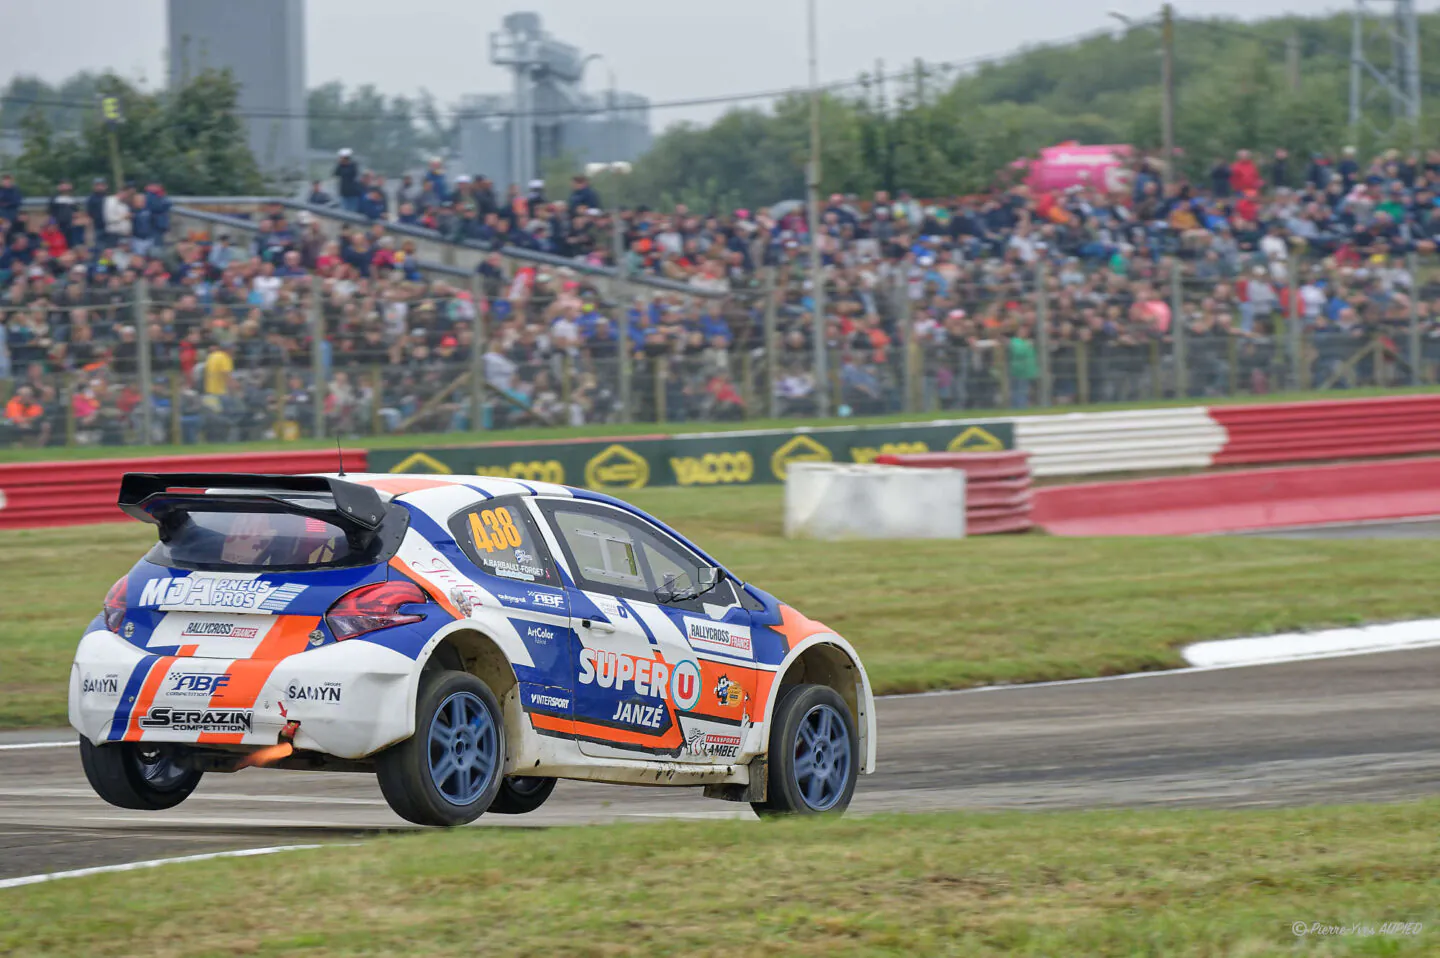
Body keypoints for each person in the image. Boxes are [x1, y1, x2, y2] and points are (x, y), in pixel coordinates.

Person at [334, 148, 362, 213]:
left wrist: (344, 166)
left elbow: (350, 173)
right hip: (344, 193)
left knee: (352, 212)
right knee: (344, 211)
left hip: (353, 194)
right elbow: (336, 173)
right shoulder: (341, 166)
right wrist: (340, 165)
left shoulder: (353, 165)